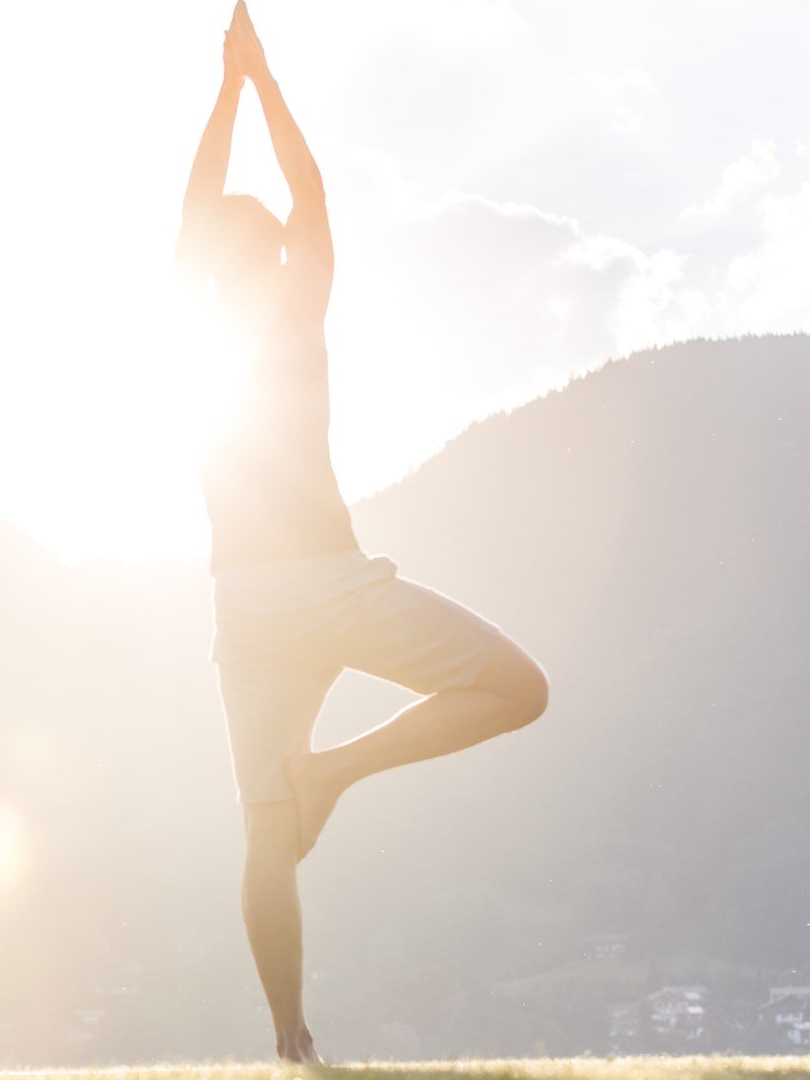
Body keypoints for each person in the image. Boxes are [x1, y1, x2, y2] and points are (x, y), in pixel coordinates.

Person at [176, 4, 551, 1063]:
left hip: (241, 605)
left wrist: (226, 91)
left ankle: (291, 1043)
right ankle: (335, 771)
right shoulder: (296, 309)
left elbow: (202, 203)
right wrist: (262, 82)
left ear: (210, 259)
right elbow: (311, 195)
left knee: (262, 836)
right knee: (520, 689)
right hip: (329, 581)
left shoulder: (192, 323)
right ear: (279, 255)